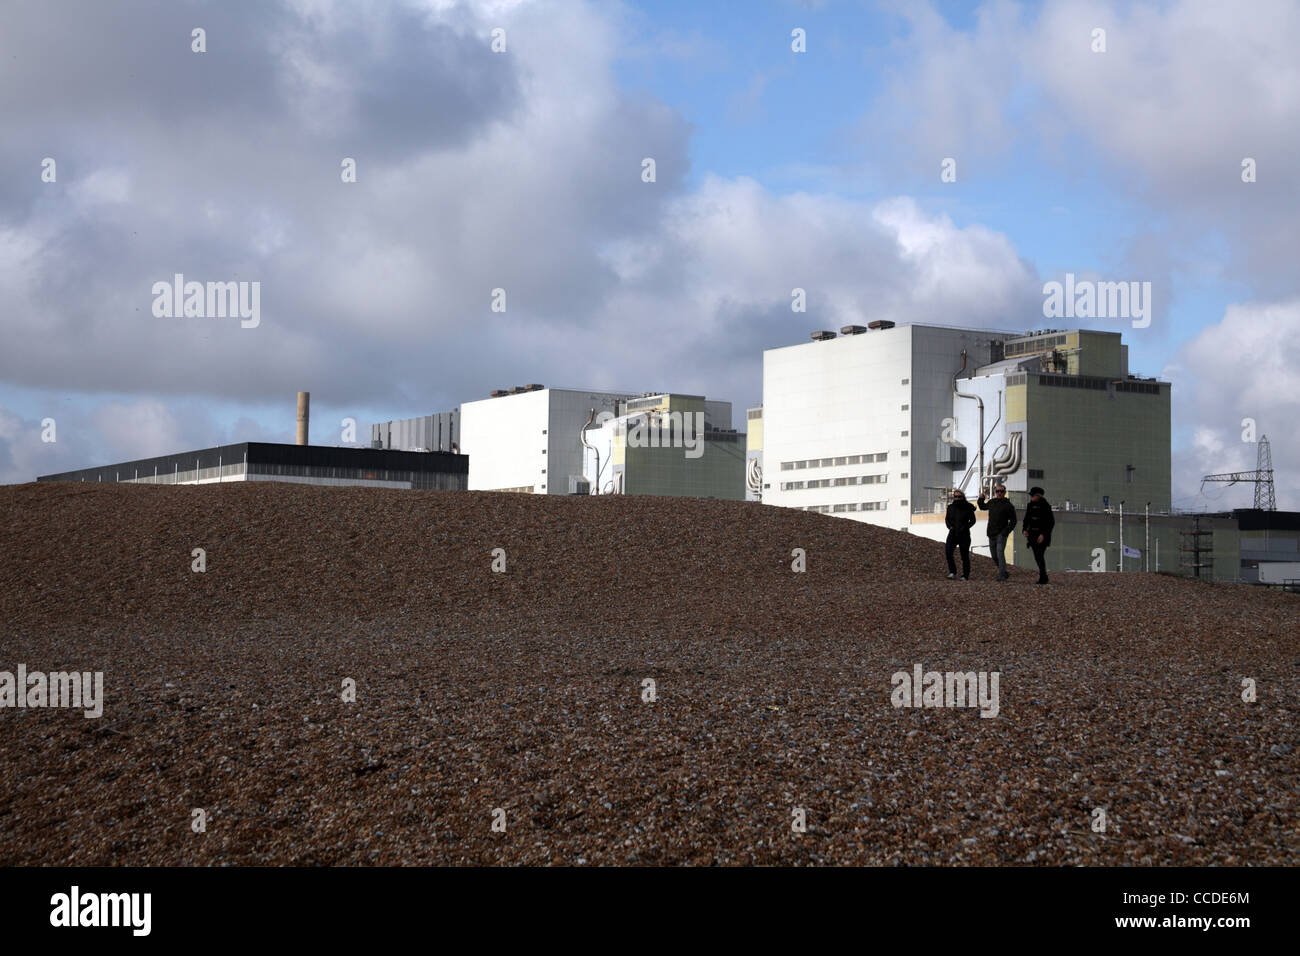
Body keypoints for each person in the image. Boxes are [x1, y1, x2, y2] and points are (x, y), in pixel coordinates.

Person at [976, 483, 1017, 581]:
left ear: (1004, 493)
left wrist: (1005, 532)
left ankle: (1002, 576)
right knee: (994, 556)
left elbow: (1013, 521)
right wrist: (981, 499)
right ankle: (1004, 572)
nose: (999, 493)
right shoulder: (992, 502)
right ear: (995, 492)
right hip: (991, 533)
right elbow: (982, 507)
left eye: (1001, 491)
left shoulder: (1008, 505)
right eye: (997, 491)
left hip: (1001, 534)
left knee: (1000, 553)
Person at [1022, 486, 1055, 585]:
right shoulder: (1030, 505)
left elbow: (1050, 522)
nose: (1031, 497)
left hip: (1042, 536)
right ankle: (1043, 576)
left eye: (1032, 495)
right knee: (1037, 556)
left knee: (1039, 555)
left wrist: (1043, 534)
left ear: (1038, 496)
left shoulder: (1045, 506)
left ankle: (1043, 577)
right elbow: (1026, 519)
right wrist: (1024, 529)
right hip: (1032, 535)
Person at [944, 489, 976, 579]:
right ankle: (952, 572)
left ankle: (965, 575)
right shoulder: (950, 507)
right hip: (953, 533)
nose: (957, 498)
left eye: (959, 497)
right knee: (948, 551)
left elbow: (973, 521)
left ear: (963, 497)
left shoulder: (968, 507)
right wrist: (949, 526)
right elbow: (947, 519)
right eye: (955, 497)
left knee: (964, 555)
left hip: (964, 534)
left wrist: (965, 527)